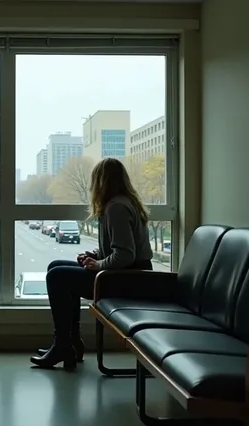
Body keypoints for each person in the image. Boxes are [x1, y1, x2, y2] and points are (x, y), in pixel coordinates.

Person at [30, 157, 153, 371]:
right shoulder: (124, 203)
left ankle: (63, 345)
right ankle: (71, 343)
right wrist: (96, 256)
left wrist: (98, 265)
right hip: (129, 275)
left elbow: (125, 255)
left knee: (57, 276)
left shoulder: (116, 208)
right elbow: (120, 248)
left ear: (101, 182)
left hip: (127, 280)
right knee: (56, 266)